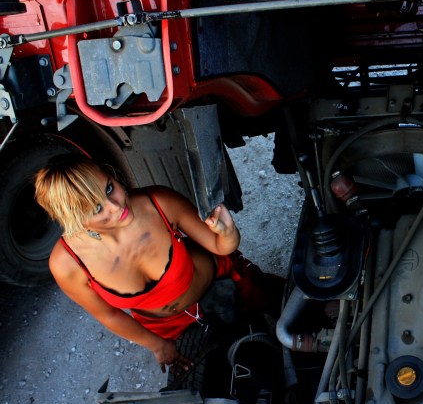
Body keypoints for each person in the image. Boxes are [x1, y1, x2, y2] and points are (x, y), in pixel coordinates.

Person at [34, 153, 263, 373]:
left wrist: (228, 232)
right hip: (167, 327)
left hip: (217, 282)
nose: (116, 206)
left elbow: (220, 245)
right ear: (72, 219)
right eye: (96, 209)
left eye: (109, 188)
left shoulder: (159, 203)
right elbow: (108, 315)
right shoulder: (67, 264)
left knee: (266, 333)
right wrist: (157, 345)